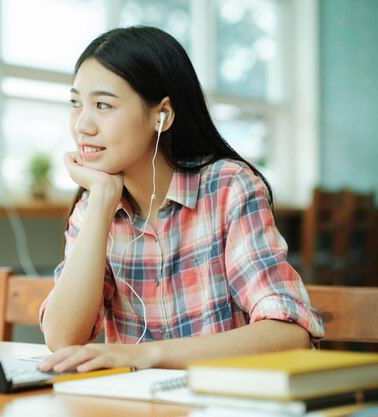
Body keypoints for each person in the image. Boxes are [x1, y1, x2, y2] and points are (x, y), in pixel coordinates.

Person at [37, 26, 324, 373]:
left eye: (102, 105)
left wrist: (143, 355)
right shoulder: (93, 206)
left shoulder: (227, 187)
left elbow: (290, 332)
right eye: (75, 104)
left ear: (162, 115)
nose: (82, 124)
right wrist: (99, 203)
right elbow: (62, 338)